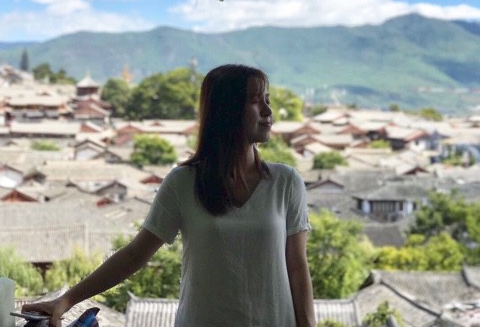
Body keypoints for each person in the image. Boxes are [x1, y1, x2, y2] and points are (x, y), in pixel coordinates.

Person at [23, 64, 315, 327]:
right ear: (227, 111)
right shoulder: (184, 183)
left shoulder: (286, 182)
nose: (268, 111)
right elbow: (134, 255)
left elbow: (297, 267)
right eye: (255, 101)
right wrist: (66, 301)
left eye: (267, 100)